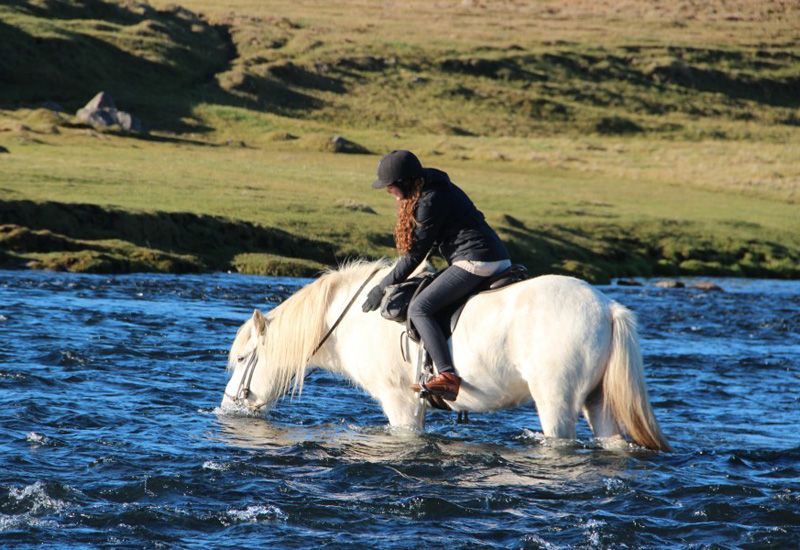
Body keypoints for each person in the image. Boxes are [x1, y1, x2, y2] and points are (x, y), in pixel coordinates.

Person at [361, 150, 511, 400]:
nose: (389, 192)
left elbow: (414, 257)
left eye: (390, 187)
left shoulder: (429, 201)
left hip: (475, 260)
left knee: (420, 308)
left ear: (405, 182)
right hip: (496, 257)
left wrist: (382, 287)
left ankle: (447, 376)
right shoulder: (437, 188)